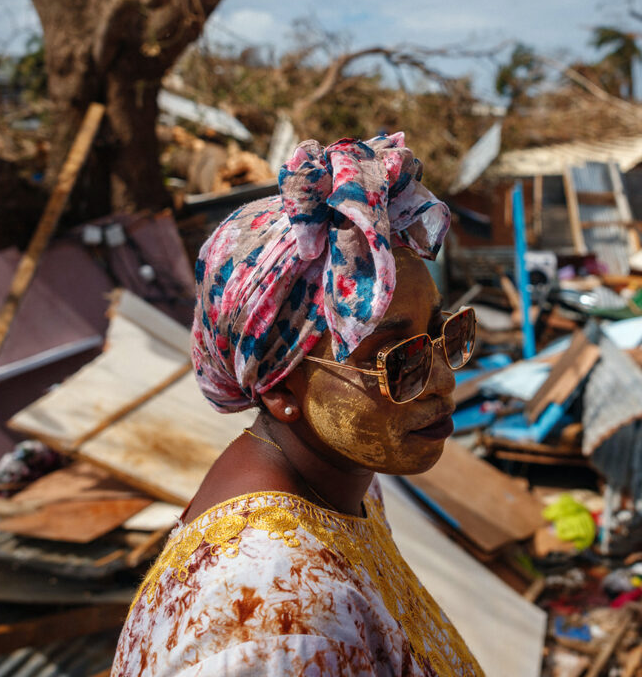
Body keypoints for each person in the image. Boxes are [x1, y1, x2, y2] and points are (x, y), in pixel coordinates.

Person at [112, 133, 484, 677]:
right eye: (397, 359)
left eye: (443, 335)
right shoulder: (273, 616)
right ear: (281, 389)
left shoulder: (346, 490)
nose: (443, 381)